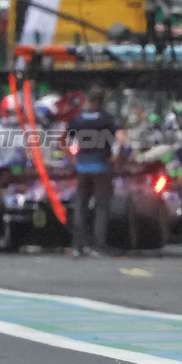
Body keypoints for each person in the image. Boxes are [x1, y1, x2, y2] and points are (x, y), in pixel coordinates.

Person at [66, 87, 124, 256]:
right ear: (103, 100)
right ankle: (98, 245)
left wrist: (71, 157)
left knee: (81, 205)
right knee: (101, 207)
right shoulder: (107, 118)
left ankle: (78, 245)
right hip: (102, 168)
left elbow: (62, 138)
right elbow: (121, 138)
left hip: (83, 168)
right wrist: (117, 156)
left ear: (88, 101)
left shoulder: (78, 118)